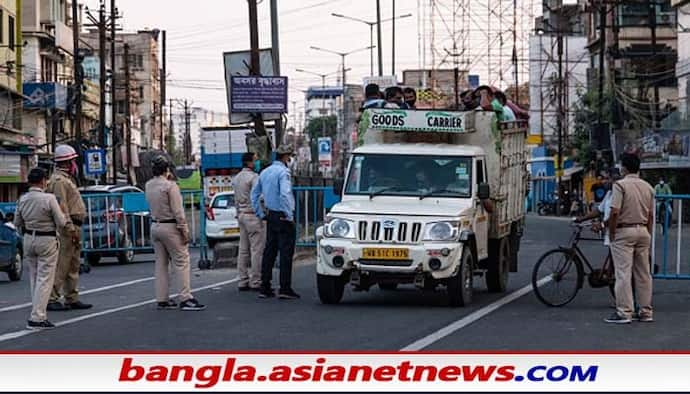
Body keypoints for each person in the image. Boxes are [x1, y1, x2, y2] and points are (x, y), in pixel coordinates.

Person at [145, 155, 206, 311]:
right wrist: (184, 230)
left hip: (155, 226)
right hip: (170, 227)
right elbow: (178, 212)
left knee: (161, 264)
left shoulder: (149, 185)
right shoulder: (170, 186)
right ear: (167, 170)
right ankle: (185, 298)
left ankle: (162, 299)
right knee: (181, 261)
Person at [14, 168, 68, 330]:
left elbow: (17, 222)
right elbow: (61, 222)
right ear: (43, 181)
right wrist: (63, 214)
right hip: (47, 238)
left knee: (34, 277)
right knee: (45, 279)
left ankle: (37, 311)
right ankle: (37, 317)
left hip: (29, 238)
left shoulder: (22, 199)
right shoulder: (49, 198)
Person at [606, 153, 655, 324]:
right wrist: (648, 233)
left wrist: (612, 232)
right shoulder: (648, 187)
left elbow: (614, 211)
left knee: (623, 273)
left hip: (624, 232)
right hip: (643, 231)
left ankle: (624, 312)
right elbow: (650, 215)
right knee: (643, 274)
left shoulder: (620, 185)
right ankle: (646, 311)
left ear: (624, 168)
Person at [251, 145, 300, 300]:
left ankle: (265, 286)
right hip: (283, 215)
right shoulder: (283, 172)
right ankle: (285, 287)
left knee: (269, 251)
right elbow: (285, 194)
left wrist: (260, 213)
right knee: (286, 252)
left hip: (270, 215)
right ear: (285, 157)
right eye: (289, 157)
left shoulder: (264, 172)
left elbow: (254, 194)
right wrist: (289, 215)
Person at [46, 145, 91, 311]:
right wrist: (70, 227)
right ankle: (52, 297)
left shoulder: (67, 180)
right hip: (68, 227)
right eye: (73, 161)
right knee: (62, 264)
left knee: (73, 265)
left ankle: (72, 296)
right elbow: (62, 207)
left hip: (75, 226)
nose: (75, 164)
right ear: (66, 162)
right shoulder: (58, 181)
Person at [232, 152, 266, 291]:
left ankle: (242, 280)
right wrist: (262, 215)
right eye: (256, 160)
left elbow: (234, 199)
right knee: (257, 250)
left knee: (243, 250)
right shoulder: (254, 178)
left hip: (241, 215)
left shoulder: (237, 178)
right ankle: (256, 280)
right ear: (250, 163)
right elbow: (259, 198)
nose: (257, 162)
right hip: (253, 215)